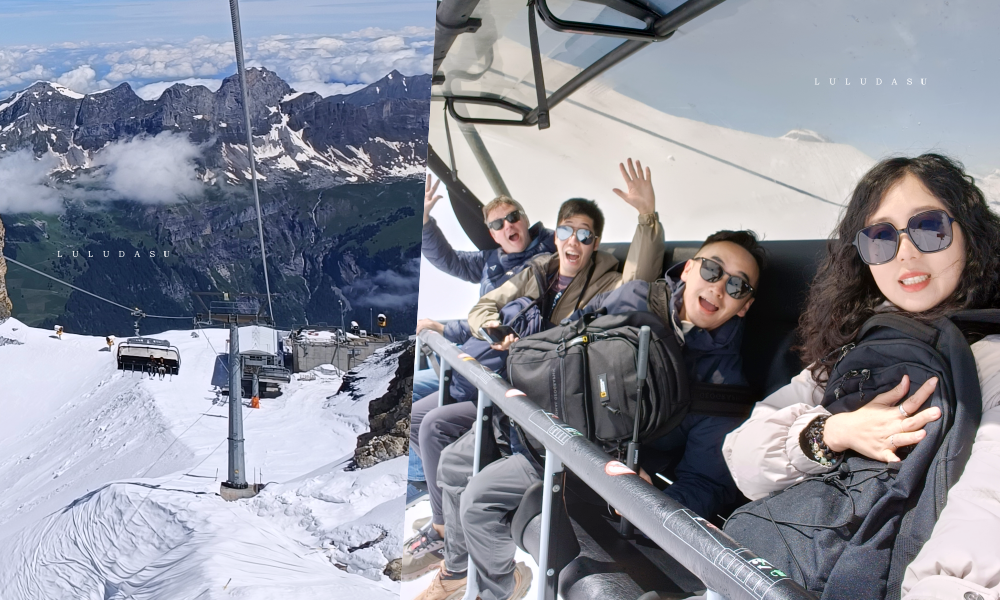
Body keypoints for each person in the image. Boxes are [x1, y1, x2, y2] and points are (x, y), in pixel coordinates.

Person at [720, 154, 1000, 600]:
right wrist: (831, 431)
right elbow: (745, 461)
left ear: (969, 232)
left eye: (930, 227)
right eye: (880, 238)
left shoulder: (990, 357)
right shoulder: (853, 349)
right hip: (788, 566)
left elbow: (987, 505)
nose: (905, 252)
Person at [408, 159, 665, 599]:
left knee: (460, 470)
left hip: (555, 405)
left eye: (584, 235)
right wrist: (491, 328)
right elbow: (486, 304)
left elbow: (637, 282)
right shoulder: (540, 271)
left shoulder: (603, 280)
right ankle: (457, 559)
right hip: (520, 397)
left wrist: (647, 219)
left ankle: (479, 579)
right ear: (557, 233)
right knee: (450, 461)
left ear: (594, 242)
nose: (573, 242)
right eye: (567, 231)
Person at [572, 229, 765, 520]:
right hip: (552, 435)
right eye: (712, 269)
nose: (719, 287)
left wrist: (647, 507)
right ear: (688, 268)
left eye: (738, 286)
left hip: (603, 494)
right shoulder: (633, 297)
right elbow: (570, 331)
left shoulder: (725, 390)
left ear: (744, 306)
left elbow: (706, 483)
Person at [409, 176, 556, 488]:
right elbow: (449, 261)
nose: (508, 226)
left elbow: (501, 322)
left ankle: (432, 483)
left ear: (525, 219)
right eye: (498, 224)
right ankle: (431, 478)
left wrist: (444, 328)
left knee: (420, 418)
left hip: (496, 364)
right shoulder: (493, 261)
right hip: (473, 355)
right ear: (492, 233)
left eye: (513, 217)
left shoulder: (544, 262)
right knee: (411, 392)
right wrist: (423, 221)